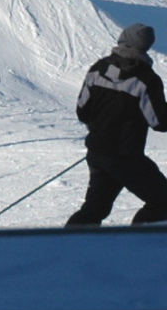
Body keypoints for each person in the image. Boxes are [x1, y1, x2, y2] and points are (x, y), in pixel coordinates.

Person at [65, 24, 167, 226]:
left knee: (95, 208)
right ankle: (138, 241)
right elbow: (159, 122)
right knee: (163, 201)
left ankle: (64, 243)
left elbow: (82, 111)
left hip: (98, 153)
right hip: (125, 157)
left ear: (123, 40)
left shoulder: (99, 69)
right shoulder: (146, 79)